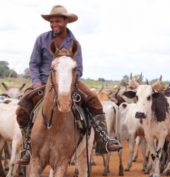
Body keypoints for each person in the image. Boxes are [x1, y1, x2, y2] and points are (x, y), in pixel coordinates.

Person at [16, 5, 122, 165]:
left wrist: (68, 84)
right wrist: (37, 82)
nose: (53, 24)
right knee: (22, 108)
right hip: (43, 82)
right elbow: (33, 63)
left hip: (69, 82)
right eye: (51, 22)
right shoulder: (41, 39)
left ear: (66, 21)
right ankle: (27, 147)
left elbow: (78, 69)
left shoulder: (74, 43)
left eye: (57, 21)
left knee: (93, 98)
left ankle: (103, 140)